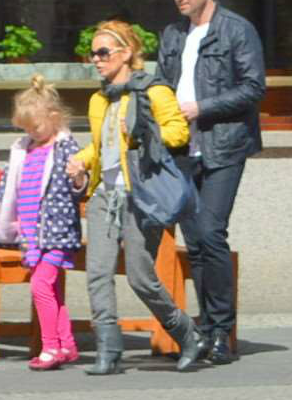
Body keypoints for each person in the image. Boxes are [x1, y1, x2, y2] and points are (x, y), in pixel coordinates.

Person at [67, 21, 208, 375]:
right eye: (93, 54)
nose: (96, 61)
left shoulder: (153, 91)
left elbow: (178, 133)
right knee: (97, 273)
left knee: (140, 276)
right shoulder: (98, 99)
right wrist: (81, 161)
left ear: (127, 53)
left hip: (140, 194)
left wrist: (146, 132)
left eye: (104, 53)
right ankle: (107, 349)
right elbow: (102, 147)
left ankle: (187, 333)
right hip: (105, 193)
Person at [157, 0, 265, 366]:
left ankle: (221, 330)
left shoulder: (236, 31)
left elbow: (254, 88)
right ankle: (202, 329)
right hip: (181, 147)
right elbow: (162, 85)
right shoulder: (172, 34)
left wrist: (201, 107)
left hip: (223, 145)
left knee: (211, 232)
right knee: (196, 243)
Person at [0, 76, 83, 370]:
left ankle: (50, 347)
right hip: (32, 234)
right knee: (51, 290)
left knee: (40, 285)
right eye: (26, 129)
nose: (32, 134)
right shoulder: (22, 149)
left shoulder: (64, 147)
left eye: (35, 127)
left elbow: (79, 186)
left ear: (54, 117)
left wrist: (79, 178)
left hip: (57, 233)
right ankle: (66, 344)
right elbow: (5, 190)